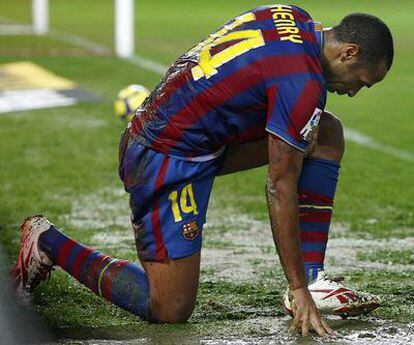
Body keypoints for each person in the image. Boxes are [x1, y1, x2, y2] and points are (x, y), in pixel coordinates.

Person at [12, 4, 393, 337]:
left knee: (324, 132)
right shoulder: (303, 81)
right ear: (348, 52)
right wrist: (294, 290)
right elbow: (279, 186)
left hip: (192, 135)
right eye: (361, 82)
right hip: (164, 155)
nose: (354, 92)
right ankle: (47, 242)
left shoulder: (291, 16)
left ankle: (314, 279)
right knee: (169, 307)